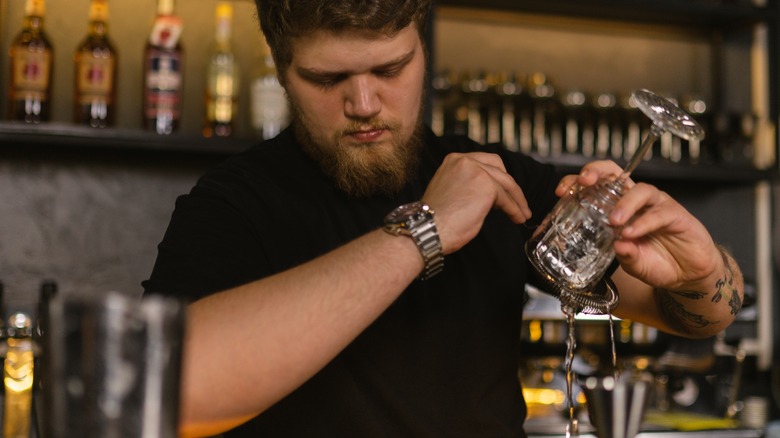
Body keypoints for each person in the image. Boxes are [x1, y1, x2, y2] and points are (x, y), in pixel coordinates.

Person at [142, 0, 744, 436]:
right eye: (327, 79)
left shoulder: (494, 176)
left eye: (390, 70)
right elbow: (172, 392)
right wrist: (424, 230)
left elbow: (703, 316)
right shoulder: (232, 204)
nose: (364, 104)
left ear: (422, 50)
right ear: (281, 70)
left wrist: (698, 271)